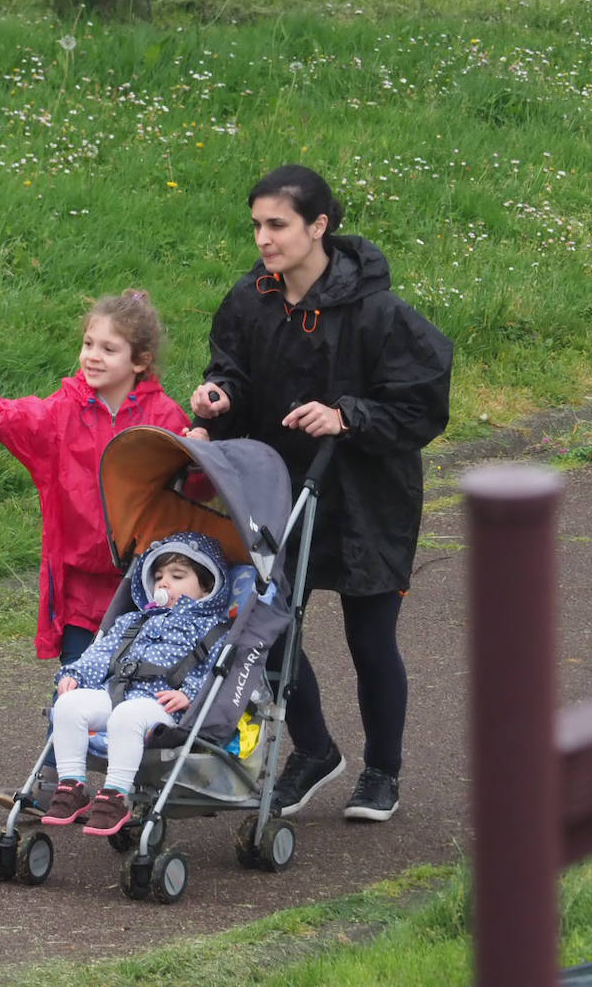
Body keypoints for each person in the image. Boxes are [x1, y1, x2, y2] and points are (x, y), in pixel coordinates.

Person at [188, 164, 452, 824]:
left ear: (319, 226)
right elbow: (233, 373)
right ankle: (313, 750)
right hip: (281, 490)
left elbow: (422, 405)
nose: (264, 239)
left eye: (277, 225)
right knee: (268, 628)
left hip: (366, 497)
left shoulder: (377, 311)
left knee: (370, 640)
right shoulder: (251, 298)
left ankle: (382, 772)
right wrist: (217, 399)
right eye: (256, 225)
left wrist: (347, 416)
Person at [0, 289, 190, 666]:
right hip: (81, 585)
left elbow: (193, 485)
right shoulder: (67, 407)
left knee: (133, 687)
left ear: (140, 361)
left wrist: (199, 450)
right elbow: (29, 417)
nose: (92, 357)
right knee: (74, 686)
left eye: (108, 349)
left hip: (144, 581)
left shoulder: (164, 416)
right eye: (88, 344)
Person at [41, 532, 230, 836]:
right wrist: (74, 674)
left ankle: (115, 796)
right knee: (67, 706)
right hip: (118, 692)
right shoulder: (133, 621)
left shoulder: (213, 629)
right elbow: (101, 654)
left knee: (127, 716)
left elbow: (219, 672)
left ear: (207, 586)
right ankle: (72, 785)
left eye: (177, 576)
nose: (163, 583)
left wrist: (191, 694)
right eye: (158, 577)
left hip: (162, 706)